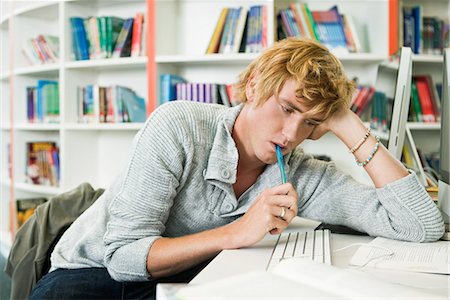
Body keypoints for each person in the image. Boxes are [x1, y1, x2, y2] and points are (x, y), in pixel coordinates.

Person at [30, 38, 444, 299]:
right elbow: (122, 258)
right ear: (254, 86)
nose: (292, 133)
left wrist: (349, 125)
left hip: (180, 275)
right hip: (91, 275)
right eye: (287, 109)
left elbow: (420, 227)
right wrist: (236, 234)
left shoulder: (298, 171)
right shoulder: (180, 126)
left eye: (311, 123)